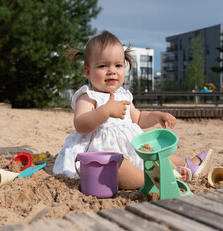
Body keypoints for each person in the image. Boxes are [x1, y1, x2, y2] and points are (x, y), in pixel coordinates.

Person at [53, 31, 214, 189]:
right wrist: (105, 111)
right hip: (106, 159)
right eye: (103, 66)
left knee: (155, 149)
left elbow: (137, 118)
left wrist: (156, 116)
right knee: (117, 166)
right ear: (88, 71)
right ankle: (160, 179)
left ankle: (186, 165)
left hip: (136, 151)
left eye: (118, 65)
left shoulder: (123, 95)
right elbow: (81, 125)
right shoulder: (88, 96)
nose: (111, 71)